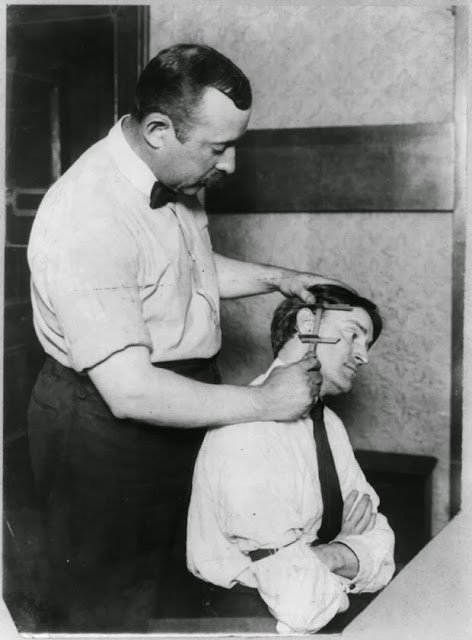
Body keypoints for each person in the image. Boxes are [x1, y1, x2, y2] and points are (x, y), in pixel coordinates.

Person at [27, 44, 348, 631]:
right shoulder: (88, 216)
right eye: (218, 148)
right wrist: (265, 403)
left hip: (186, 400)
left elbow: (182, 270)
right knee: (108, 608)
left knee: (182, 588)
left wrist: (278, 278)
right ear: (157, 130)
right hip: (107, 422)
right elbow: (130, 391)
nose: (229, 166)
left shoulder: (173, 169)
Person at [188, 284, 395, 634]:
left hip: (310, 612)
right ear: (307, 325)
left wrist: (325, 556)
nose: (364, 356)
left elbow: (382, 546)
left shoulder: (329, 424)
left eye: (367, 343)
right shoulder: (245, 430)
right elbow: (298, 602)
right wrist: (346, 554)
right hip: (243, 621)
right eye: (352, 336)